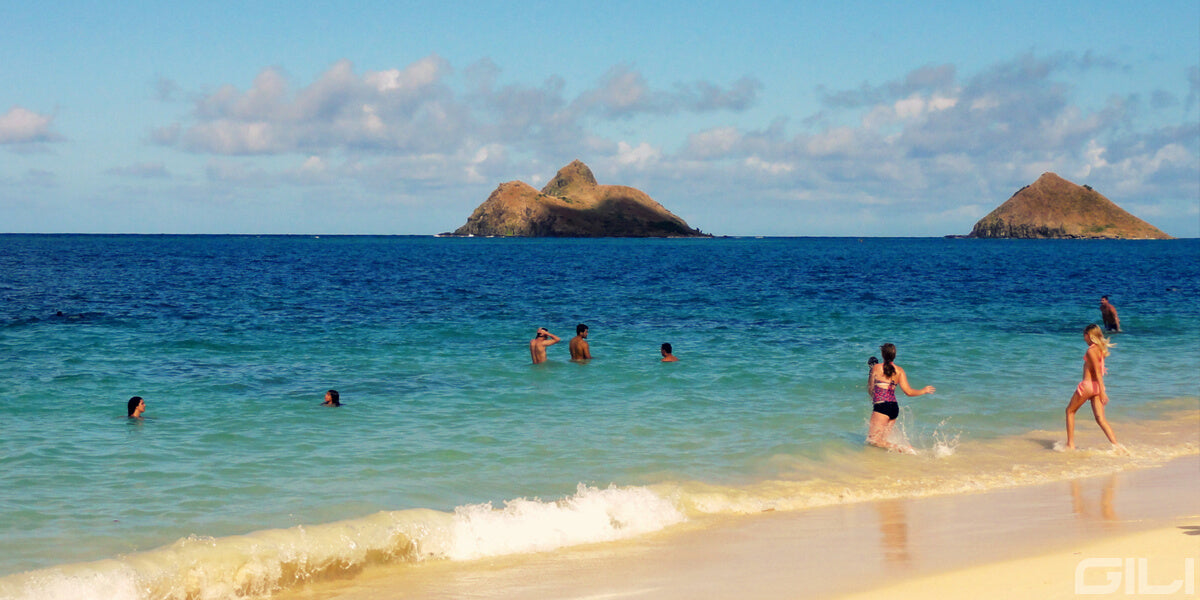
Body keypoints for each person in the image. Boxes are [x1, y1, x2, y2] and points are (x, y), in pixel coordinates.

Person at [866, 344, 934, 452]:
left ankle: (904, 448)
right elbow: (908, 392)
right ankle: (907, 451)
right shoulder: (899, 370)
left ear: (882, 354)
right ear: (894, 355)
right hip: (893, 408)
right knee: (883, 440)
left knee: (873, 440)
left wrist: (870, 372)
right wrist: (923, 390)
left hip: (882, 407)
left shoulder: (876, 368)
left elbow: (870, 390)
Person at [1065, 324, 1120, 450]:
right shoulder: (1100, 349)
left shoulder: (1090, 350)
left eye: (1084, 335)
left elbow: (1096, 371)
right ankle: (1117, 446)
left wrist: (1102, 392)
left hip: (1088, 386)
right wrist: (1101, 390)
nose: (1084, 339)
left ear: (1089, 336)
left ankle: (1070, 444)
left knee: (1069, 411)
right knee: (1101, 419)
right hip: (1096, 387)